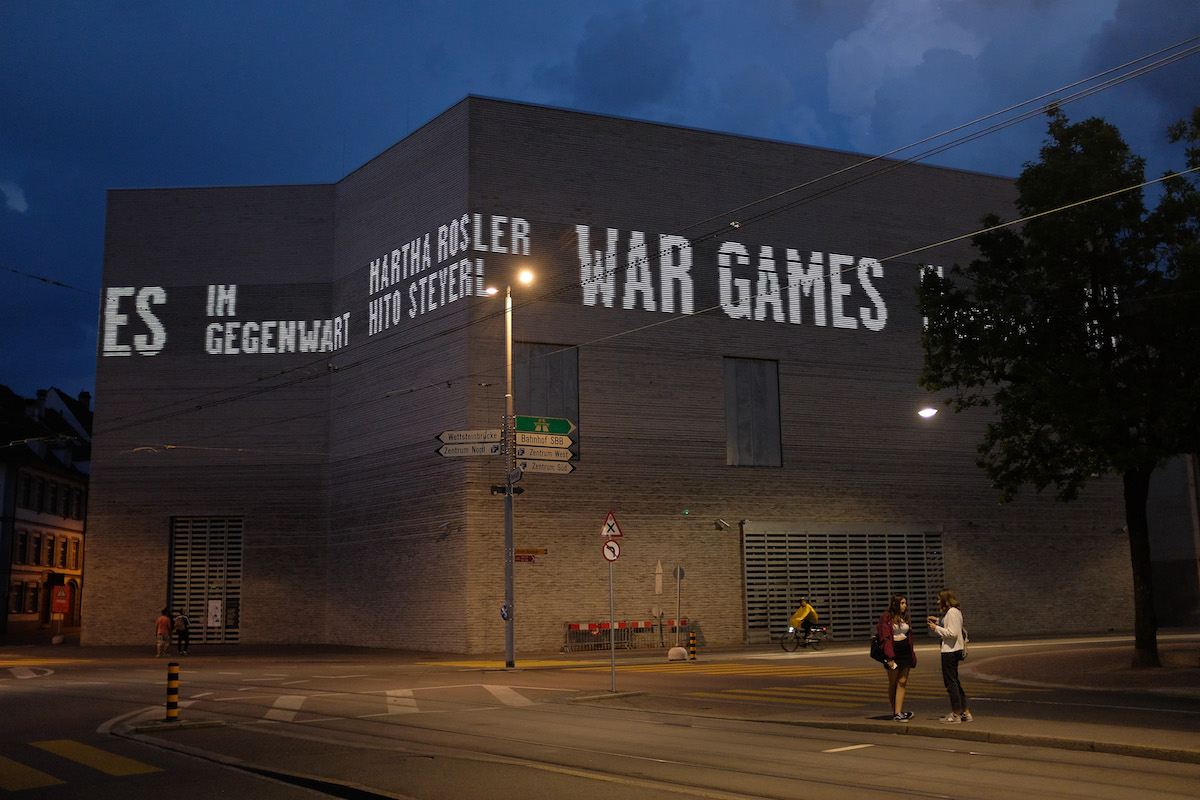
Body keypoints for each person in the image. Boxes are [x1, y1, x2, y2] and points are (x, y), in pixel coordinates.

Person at [928, 588, 972, 724]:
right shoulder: (955, 611)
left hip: (950, 651)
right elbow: (952, 625)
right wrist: (938, 621)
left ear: (945, 599)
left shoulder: (951, 612)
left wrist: (936, 628)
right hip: (955, 650)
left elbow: (951, 633)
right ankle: (965, 712)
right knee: (955, 681)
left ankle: (955, 714)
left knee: (950, 683)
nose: (938, 601)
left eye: (939, 599)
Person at [877, 594, 916, 721]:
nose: (905, 606)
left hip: (905, 651)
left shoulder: (905, 617)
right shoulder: (886, 618)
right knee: (893, 683)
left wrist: (912, 654)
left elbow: (909, 636)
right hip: (893, 652)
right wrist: (889, 657)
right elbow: (885, 638)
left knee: (903, 682)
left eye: (905, 603)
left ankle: (899, 712)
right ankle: (896, 712)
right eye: (902, 603)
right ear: (895, 604)